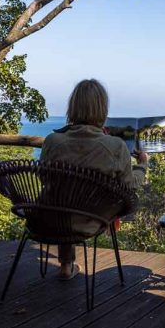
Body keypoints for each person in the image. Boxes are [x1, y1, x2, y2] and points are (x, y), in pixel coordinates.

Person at [40, 79, 148, 280]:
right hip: (91, 220)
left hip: (48, 219)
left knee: (64, 197)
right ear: (102, 109)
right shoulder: (115, 146)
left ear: (72, 107)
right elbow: (129, 184)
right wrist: (142, 165)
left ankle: (66, 265)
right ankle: (67, 264)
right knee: (82, 203)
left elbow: (44, 179)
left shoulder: (52, 141)